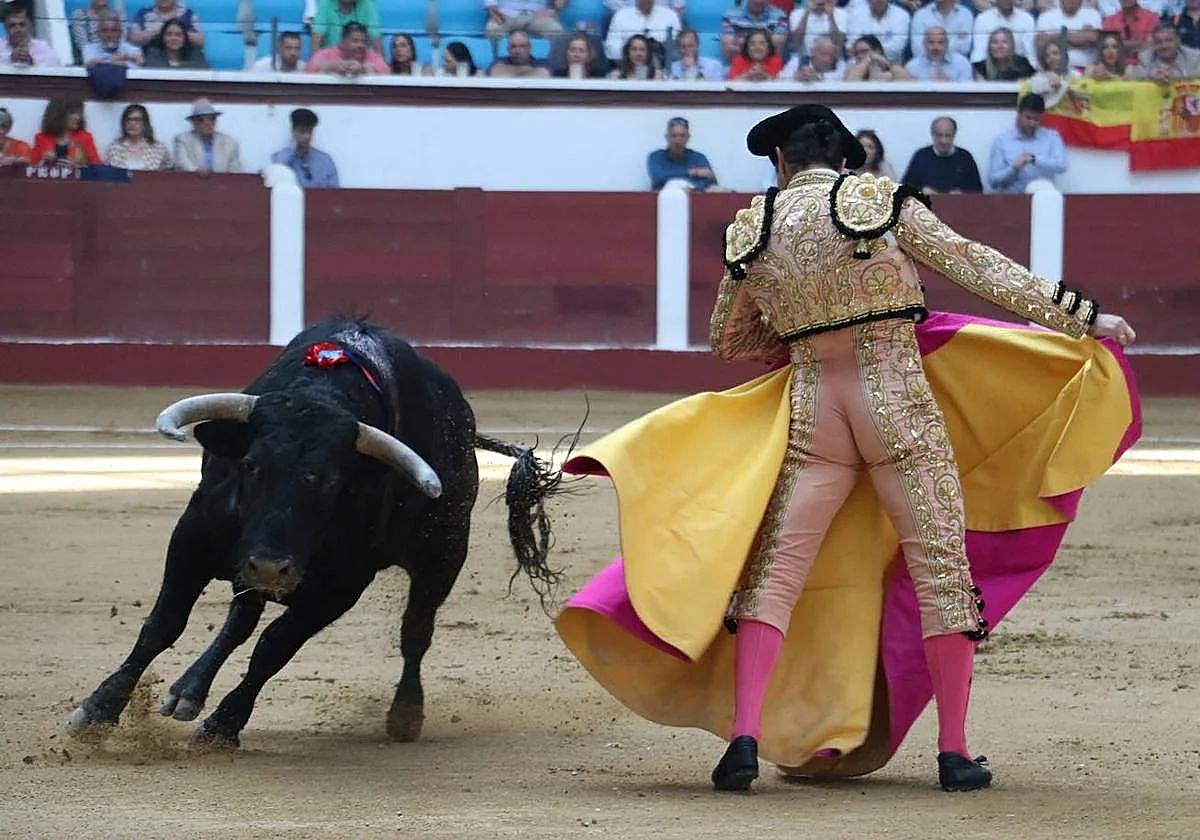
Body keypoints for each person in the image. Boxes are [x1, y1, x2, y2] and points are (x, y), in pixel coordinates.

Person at [555, 102, 1138, 797]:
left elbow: (729, 340)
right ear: (846, 157)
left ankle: (743, 740)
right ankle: (954, 753)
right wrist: (1080, 317)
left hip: (815, 412)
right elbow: (976, 266)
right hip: (897, 404)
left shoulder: (756, 227)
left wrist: (806, 335)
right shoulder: (876, 199)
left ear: (780, 162)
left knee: (775, 573)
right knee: (940, 570)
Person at [989, 93, 1068, 193]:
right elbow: (993, 181)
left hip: (1042, 198)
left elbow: (1062, 166)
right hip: (1012, 200)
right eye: (1028, 118)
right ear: (1019, 114)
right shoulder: (1002, 141)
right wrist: (1013, 169)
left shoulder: (1052, 137)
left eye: (1037, 119)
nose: (1032, 123)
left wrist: (1034, 159)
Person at [902, 116, 984, 194]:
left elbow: (978, 191)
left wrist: (962, 193)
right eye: (939, 135)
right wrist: (921, 191)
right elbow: (905, 189)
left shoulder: (965, 157)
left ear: (954, 135)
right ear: (932, 135)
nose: (943, 141)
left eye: (948, 136)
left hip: (959, 206)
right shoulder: (920, 156)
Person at [271, 108, 339, 188]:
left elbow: (334, 192)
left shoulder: (325, 160)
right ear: (293, 131)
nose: (307, 136)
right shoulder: (279, 158)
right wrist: (290, 152)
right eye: (302, 131)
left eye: (310, 131)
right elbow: (275, 183)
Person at [647, 116, 718, 190]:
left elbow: (709, 182)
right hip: (663, 198)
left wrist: (691, 188)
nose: (678, 141)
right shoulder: (656, 157)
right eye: (674, 136)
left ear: (688, 137)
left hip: (693, 198)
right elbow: (657, 177)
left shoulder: (698, 158)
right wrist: (693, 172)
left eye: (682, 136)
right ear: (667, 137)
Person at [173, 98, 242, 174]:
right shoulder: (182, 139)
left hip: (221, 184)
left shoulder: (230, 142)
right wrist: (198, 172)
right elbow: (182, 163)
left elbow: (235, 172)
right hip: (192, 183)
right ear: (193, 122)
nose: (207, 123)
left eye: (212, 118)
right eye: (201, 120)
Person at [32, 97, 100, 166]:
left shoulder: (85, 137)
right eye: (72, 113)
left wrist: (80, 165)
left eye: (79, 113)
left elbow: (98, 168)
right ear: (59, 114)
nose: (78, 117)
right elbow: (31, 168)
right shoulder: (41, 138)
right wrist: (43, 161)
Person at [605, 0, 681, 62]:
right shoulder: (621, 16)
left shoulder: (670, 16)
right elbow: (611, 51)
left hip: (662, 72)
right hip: (627, 70)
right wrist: (633, 52)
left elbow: (677, 51)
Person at [1036, 0, 1103, 70]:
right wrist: (1080, 38)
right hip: (1056, 70)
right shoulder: (1046, 16)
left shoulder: (1093, 14)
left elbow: (1093, 38)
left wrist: (1057, 39)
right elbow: (1041, 42)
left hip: (1088, 69)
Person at [104, 103, 171, 170]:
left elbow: (170, 171)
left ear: (145, 123)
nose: (132, 123)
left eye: (137, 119)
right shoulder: (114, 148)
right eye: (128, 119)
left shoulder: (158, 148)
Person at [306, 21, 388, 75]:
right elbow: (308, 72)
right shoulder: (325, 54)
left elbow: (386, 72)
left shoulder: (370, 54)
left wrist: (363, 68)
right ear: (342, 42)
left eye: (363, 41)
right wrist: (333, 66)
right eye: (355, 41)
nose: (360, 45)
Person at [720, 0, 789, 62]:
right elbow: (729, 52)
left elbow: (777, 51)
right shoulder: (730, 16)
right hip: (738, 67)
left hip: (770, 68)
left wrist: (742, 41)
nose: (758, 1)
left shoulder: (780, 17)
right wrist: (763, 44)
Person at [845, 0, 910, 64]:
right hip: (859, 64)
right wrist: (874, 53)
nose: (879, 0)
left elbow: (897, 47)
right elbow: (852, 45)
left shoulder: (902, 15)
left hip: (890, 65)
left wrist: (867, 52)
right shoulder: (855, 15)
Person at [1127, 21, 1200, 78]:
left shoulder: (1194, 57)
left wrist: (1177, 77)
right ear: (1154, 44)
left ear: (1178, 41)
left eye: (1168, 40)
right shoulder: (1145, 58)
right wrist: (1150, 78)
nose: (1164, 46)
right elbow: (1136, 80)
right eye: (1159, 42)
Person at [971, 0, 1036, 63]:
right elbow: (979, 52)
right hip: (991, 67)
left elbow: (1030, 53)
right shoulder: (982, 19)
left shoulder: (1027, 19)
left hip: (1019, 66)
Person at [310, 0, 382, 53]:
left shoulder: (367, 5)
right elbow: (316, 39)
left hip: (360, 60)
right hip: (331, 61)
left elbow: (376, 41)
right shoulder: (325, 4)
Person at [910, 0, 974, 59]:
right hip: (925, 66)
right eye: (931, 42)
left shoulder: (965, 14)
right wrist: (955, 42)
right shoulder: (920, 15)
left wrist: (932, 45)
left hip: (957, 66)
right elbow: (917, 50)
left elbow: (964, 48)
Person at [129, 0, 203, 50]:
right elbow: (134, 40)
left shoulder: (188, 14)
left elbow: (200, 42)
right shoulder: (143, 13)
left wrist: (179, 32)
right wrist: (161, 30)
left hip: (183, 59)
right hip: (151, 59)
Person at [906, 26, 973, 80]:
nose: (936, 47)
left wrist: (950, 85)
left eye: (940, 42)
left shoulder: (962, 63)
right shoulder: (912, 66)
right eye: (931, 42)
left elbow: (968, 93)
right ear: (924, 44)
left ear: (947, 44)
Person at [70, 0, 127, 64]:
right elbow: (83, 45)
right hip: (91, 61)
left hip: (117, 61)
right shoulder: (79, 15)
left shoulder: (119, 15)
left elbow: (122, 43)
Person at [1030, 39, 1081, 108]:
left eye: (1055, 53)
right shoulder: (1039, 78)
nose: (1052, 58)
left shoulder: (1075, 74)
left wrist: (1062, 84)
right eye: (1047, 56)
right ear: (1044, 61)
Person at [142, 17, 209, 68]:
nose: (174, 38)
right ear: (163, 38)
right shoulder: (153, 57)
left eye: (178, 35)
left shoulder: (196, 57)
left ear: (185, 38)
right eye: (169, 34)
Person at [485, 0, 566, 41]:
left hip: (539, 14)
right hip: (506, 13)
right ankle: (499, 65)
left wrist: (554, 10)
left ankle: (547, 67)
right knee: (493, 30)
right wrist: (492, 7)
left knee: (555, 31)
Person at [844, 34, 915, 79]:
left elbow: (910, 82)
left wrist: (886, 63)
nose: (859, 56)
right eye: (857, 53)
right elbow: (851, 82)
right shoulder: (851, 70)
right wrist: (867, 59)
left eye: (864, 51)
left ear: (877, 51)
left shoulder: (892, 70)